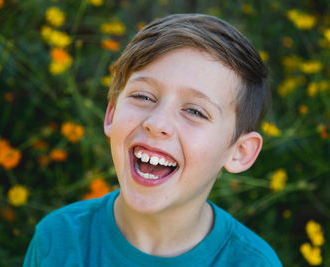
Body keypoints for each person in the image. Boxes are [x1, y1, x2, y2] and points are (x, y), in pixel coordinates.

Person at [23, 14, 282, 266]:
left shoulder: (254, 262)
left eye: (195, 111)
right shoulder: (57, 241)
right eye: (143, 97)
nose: (157, 124)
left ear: (240, 152)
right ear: (111, 114)